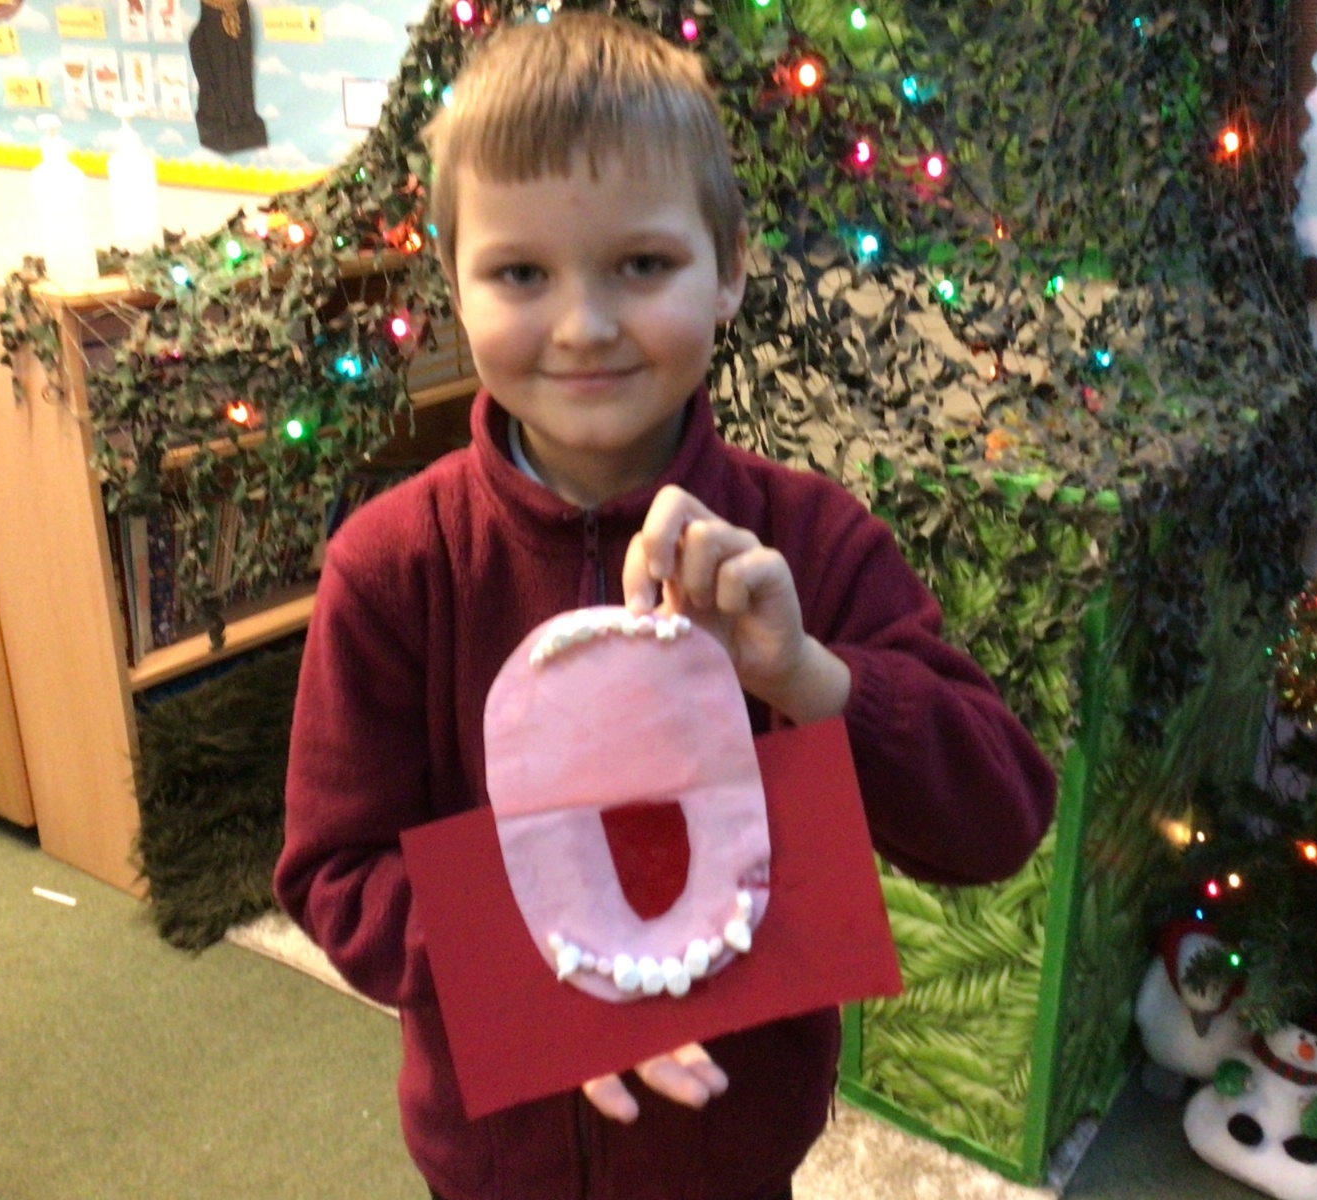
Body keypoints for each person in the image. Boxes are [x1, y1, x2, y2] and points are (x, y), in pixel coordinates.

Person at [273, 11, 1057, 1200]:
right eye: (520, 273)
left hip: (732, 1160)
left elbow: (998, 817)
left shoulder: (809, 542)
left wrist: (805, 676)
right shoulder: (395, 569)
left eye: (641, 265)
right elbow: (337, 874)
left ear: (727, 268)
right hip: (496, 1169)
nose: (584, 326)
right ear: (452, 285)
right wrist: (568, 986)